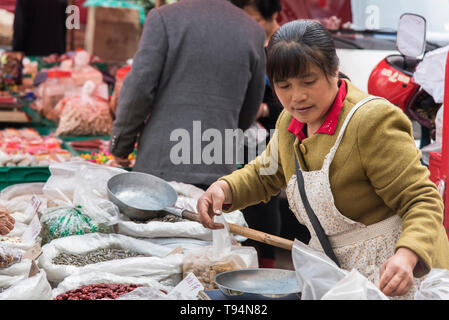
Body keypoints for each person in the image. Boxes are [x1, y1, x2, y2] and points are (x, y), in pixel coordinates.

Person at [197, 19, 449, 299]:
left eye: (308, 81)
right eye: (284, 86)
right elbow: (264, 173)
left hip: (402, 276)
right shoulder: (287, 124)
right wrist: (224, 189)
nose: (297, 97)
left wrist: (407, 255)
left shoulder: (371, 120)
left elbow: (422, 199)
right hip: (344, 277)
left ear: (333, 69)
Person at [110, 0, 266, 190]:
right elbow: (250, 107)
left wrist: (120, 145)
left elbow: (138, 91)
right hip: (218, 169)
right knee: (209, 220)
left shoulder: (163, 18)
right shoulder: (254, 32)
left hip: (161, 165)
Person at [230, 0, 283, 268]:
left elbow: (292, 102)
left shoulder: (284, 49)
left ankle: (267, 262)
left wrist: (261, 109)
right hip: (240, 134)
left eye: (254, 19)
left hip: (271, 135)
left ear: (273, 16)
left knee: (264, 200)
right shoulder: (243, 44)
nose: (247, 25)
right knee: (241, 192)